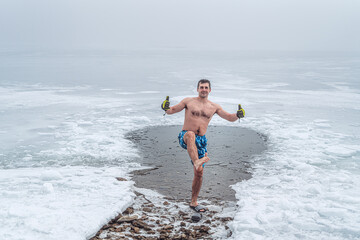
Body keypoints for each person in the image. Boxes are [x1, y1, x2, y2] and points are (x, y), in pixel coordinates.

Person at [161, 79, 245, 212]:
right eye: (201, 87)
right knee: (190, 134)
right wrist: (165, 107)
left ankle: (193, 202)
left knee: (199, 173)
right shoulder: (188, 101)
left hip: (201, 141)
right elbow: (171, 110)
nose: (204, 89)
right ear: (197, 89)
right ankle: (196, 161)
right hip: (186, 136)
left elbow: (229, 117)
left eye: (206, 87)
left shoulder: (214, 107)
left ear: (210, 90)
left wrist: (238, 115)